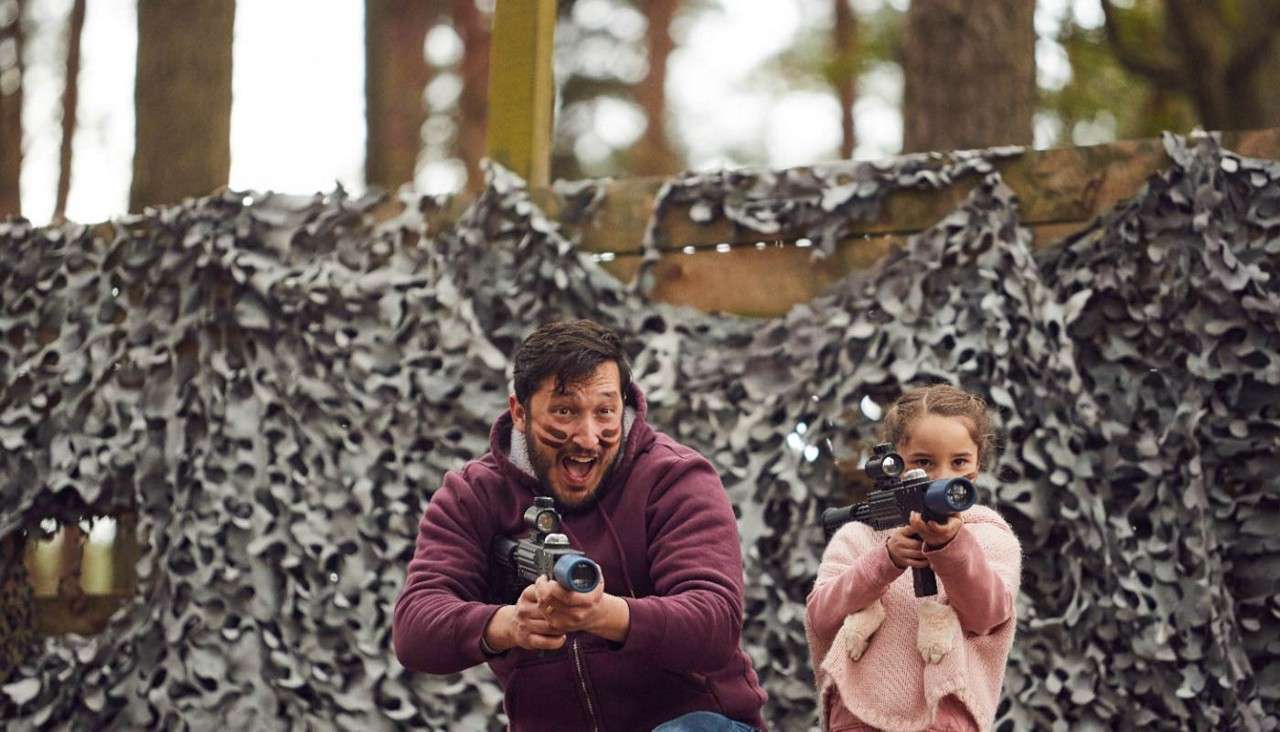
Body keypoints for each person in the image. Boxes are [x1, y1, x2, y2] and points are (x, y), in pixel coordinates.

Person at [394, 319, 767, 732]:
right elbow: (415, 629)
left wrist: (603, 614)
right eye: (565, 411)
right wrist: (510, 625)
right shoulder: (473, 495)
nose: (588, 438)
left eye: (605, 411)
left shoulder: (675, 478)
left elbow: (714, 624)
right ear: (519, 411)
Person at [804, 385, 1022, 731]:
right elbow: (821, 617)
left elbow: (987, 615)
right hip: (858, 716)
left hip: (944, 719)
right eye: (923, 462)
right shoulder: (861, 534)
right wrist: (884, 562)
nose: (942, 476)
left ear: (977, 466)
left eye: (959, 461)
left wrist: (951, 548)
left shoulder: (988, 536)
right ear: (896, 461)